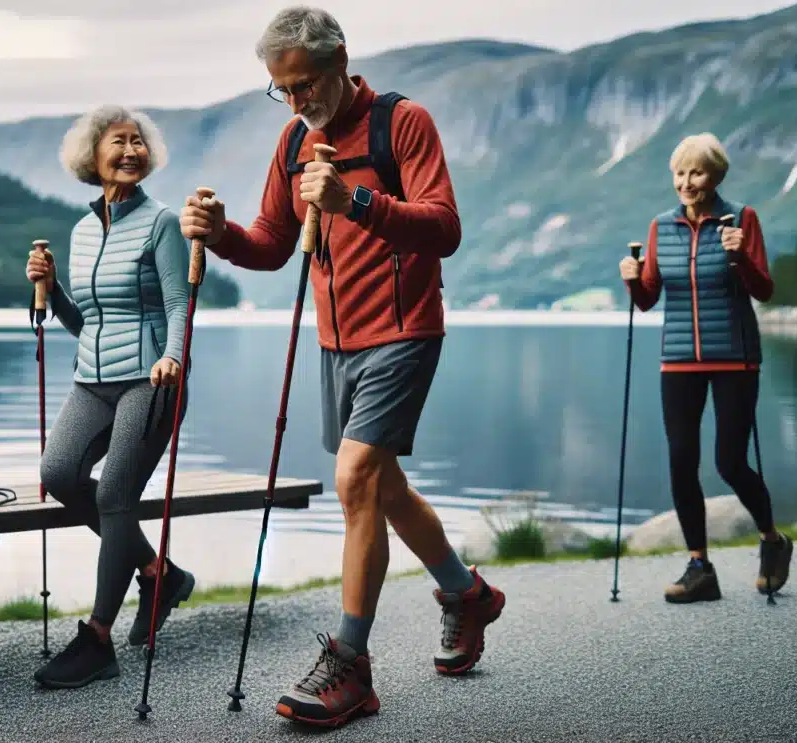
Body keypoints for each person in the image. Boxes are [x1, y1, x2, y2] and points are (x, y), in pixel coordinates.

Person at [179, 6, 505, 728]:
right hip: (336, 341)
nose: (297, 103)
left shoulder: (402, 122)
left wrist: (354, 199)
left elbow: (443, 226)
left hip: (404, 330)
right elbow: (270, 241)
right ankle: (467, 593)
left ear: (339, 62)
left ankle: (351, 665)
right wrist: (221, 232)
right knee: (382, 485)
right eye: (282, 91)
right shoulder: (295, 139)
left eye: (304, 85)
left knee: (354, 476)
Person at [25, 104, 197, 690]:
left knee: (117, 497)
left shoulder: (161, 223)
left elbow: (179, 303)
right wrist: (50, 288)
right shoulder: (79, 230)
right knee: (60, 473)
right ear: (92, 157)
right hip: (91, 380)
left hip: (150, 380)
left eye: (138, 143)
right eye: (118, 143)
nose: (131, 152)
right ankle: (159, 572)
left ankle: (98, 639)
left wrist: (173, 356)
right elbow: (84, 321)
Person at [619, 132, 794, 605]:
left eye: (696, 172)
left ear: (715, 176)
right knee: (681, 461)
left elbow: (764, 290)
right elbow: (650, 298)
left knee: (730, 462)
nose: (686, 182)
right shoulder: (661, 227)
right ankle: (700, 566)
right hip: (678, 361)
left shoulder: (742, 220)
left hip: (735, 356)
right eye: (679, 173)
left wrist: (738, 255)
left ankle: (772, 541)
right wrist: (634, 282)